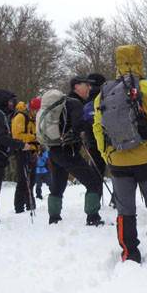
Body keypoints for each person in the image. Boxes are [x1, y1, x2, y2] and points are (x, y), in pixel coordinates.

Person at [93, 44, 147, 265]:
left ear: (117, 63)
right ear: (139, 60)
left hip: (117, 160)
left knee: (125, 209)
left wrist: (105, 154)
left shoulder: (104, 93)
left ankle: (129, 253)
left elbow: (98, 128)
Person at [46, 77, 104, 226]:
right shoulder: (75, 103)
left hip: (54, 149)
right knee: (93, 181)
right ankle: (93, 217)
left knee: (58, 184)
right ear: (76, 86)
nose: (89, 89)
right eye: (86, 85)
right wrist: (89, 123)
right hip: (69, 151)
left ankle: (54, 218)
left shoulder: (61, 103)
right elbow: (78, 124)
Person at [0, 89, 30, 226]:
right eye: (10, 101)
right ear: (3, 101)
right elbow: (1, 137)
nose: (12, 104)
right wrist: (20, 145)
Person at [11, 98, 41, 213]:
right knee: (23, 180)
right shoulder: (21, 116)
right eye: (37, 110)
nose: (38, 113)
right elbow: (17, 136)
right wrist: (34, 138)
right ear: (32, 109)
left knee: (32, 180)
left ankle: (30, 204)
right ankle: (19, 207)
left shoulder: (32, 118)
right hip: (22, 151)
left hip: (32, 152)